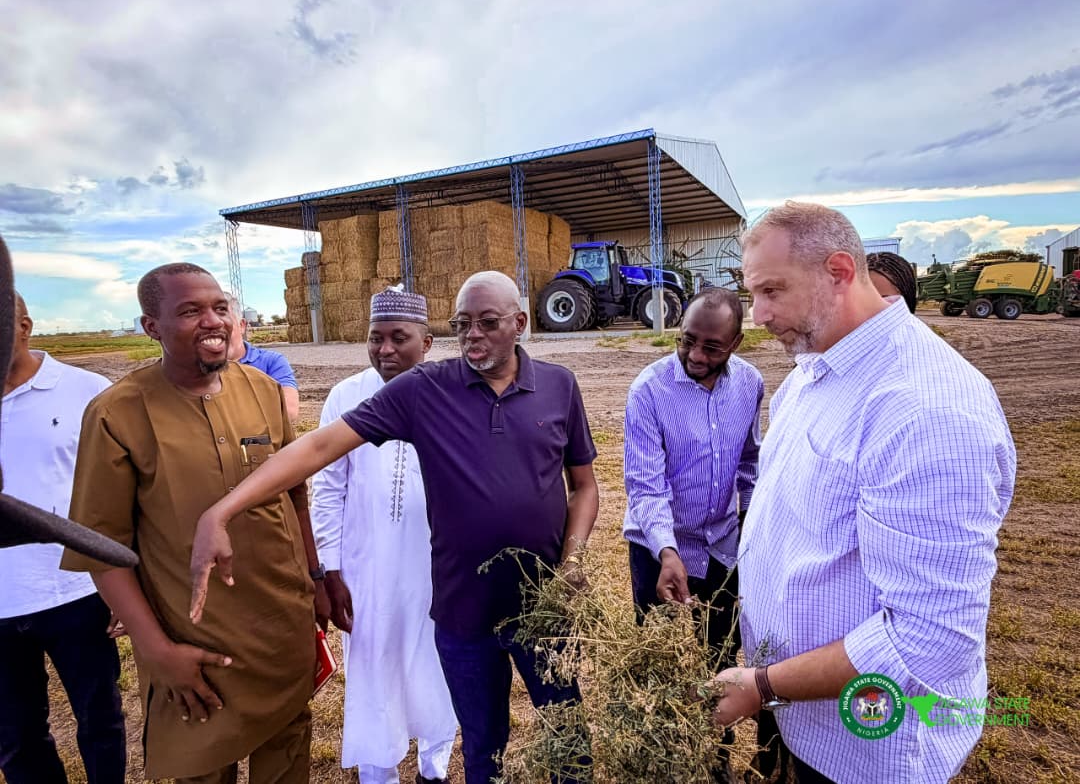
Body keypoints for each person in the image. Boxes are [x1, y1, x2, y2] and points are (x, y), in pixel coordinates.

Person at [190, 270, 600, 784]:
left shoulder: (559, 386)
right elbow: (319, 448)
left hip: (542, 603)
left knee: (567, 735)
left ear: (519, 323)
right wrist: (222, 510)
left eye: (488, 323)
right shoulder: (426, 389)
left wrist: (573, 561)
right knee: (483, 745)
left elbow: (584, 486)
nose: (472, 335)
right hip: (462, 613)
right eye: (462, 324)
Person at [711, 202, 1016, 783]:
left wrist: (764, 685)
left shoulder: (924, 410)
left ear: (839, 271)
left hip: (867, 750)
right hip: (800, 712)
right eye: (753, 294)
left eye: (772, 291)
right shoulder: (814, 369)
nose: (758, 315)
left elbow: (928, 642)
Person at [62, 263, 329, 784]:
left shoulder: (263, 389)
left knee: (288, 751)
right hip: (193, 641)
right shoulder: (117, 413)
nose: (213, 321)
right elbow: (101, 548)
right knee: (203, 764)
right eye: (190, 311)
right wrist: (157, 650)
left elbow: (294, 495)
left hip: (281, 626)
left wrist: (315, 581)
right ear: (151, 327)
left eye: (219, 308)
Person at [310, 288, 457, 784]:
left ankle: (435, 767)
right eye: (376, 338)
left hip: (436, 566)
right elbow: (327, 488)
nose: (385, 349)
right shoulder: (345, 396)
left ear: (427, 342)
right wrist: (329, 569)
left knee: (437, 663)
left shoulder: (453, 393)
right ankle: (379, 773)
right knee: (373, 668)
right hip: (366, 567)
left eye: (399, 337)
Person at [0, 292, 125, 784]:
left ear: (24, 326)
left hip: (77, 590)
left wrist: (126, 585)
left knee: (101, 721)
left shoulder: (86, 391)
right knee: (15, 737)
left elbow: (125, 493)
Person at [623, 286, 762, 662]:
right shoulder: (648, 391)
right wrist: (667, 552)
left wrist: (749, 527)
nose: (697, 355)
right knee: (657, 655)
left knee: (720, 651)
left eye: (712, 347)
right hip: (657, 549)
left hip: (721, 545)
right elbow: (646, 486)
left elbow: (750, 464)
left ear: (736, 343)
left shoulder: (750, 384)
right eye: (687, 341)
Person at [225, 293, 300, 422]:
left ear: (242, 325)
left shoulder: (271, 362)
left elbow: (289, 411)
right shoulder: (195, 367)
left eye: (225, 323)